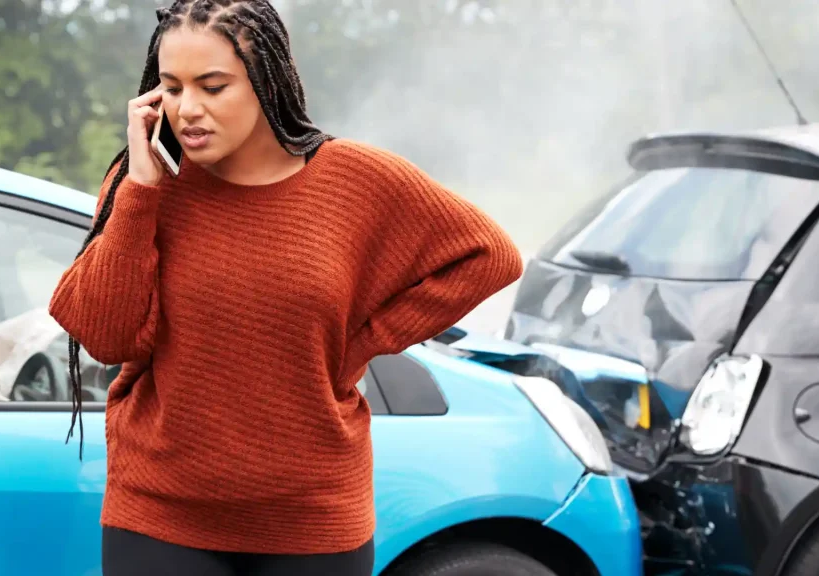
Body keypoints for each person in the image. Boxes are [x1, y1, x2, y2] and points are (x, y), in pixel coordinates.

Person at [47, 1, 524, 574]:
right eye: (171, 89)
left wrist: (363, 340)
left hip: (313, 518)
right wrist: (141, 192)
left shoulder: (356, 179)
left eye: (213, 86)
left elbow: (489, 255)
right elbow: (106, 336)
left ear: (267, 82)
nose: (187, 110)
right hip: (161, 513)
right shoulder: (145, 182)